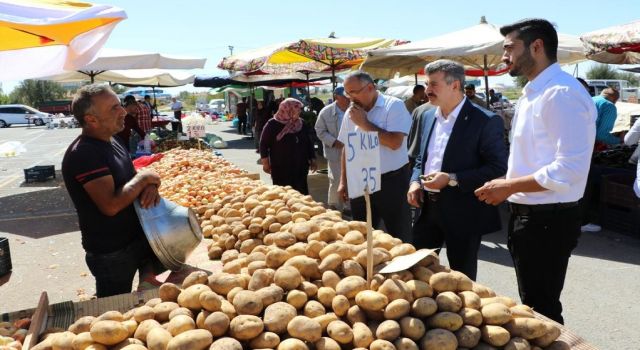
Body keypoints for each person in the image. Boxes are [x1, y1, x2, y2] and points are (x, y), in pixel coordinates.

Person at [475, 19, 597, 324]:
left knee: (542, 311)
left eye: (509, 48)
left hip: (547, 220)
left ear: (537, 46)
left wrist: (509, 186)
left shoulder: (560, 93)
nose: (505, 56)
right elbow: (539, 159)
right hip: (531, 216)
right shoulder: (535, 92)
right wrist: (508, 182)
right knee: (535, 305)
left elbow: (567, 169)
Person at [407, 60, 507, 280]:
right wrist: (415, 181)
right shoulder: (426, 116)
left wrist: (452, 179)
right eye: (426, 84)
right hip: (427, 210)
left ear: (455, 85)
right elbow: (420, 158)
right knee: (417, 271)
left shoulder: (485, 121)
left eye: (434, 84)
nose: (427, 90)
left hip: (464, 211)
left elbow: (497, 167)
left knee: (461, 279)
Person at [62, 84, 164, 298]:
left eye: (120, 105)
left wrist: (150, 184)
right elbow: (111, 205)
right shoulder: (84, 153)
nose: (123, 111)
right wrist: (146, 177)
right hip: (112, 253)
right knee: (114, 311)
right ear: (91, 119)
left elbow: (131, 177)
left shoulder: (113, 140)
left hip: (136, 239)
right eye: (114, 108)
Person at [337, 71, 413, 242]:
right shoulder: (352, 112)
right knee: (362, 234)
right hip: (360, 181)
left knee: (398, 235)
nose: (350, 98)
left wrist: (364, 124)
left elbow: (395, 142)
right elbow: (346, 147)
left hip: (391, 182)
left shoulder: (394, 106)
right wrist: (344, 181)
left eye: (353, 92)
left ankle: (402, 268)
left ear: (370, 87)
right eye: (347, 93)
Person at [260, 98, 317, 195]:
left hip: (300, 166)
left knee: (301, 193)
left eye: (299, 109)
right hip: (281, 167)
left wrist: (312, 158)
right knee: (283, 195)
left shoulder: (301, 123)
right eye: (297, 109)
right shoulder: (272, 124)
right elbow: (263, 144)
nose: (299, 111)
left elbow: (308, 142)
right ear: (288, 110)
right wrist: (265, 163)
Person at [315, 87, 350, 211]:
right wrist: (334, 142)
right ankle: (333, 204)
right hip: (335, 152)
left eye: (348, 96)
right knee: (336, 179)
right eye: (344, 96)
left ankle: (348, 206)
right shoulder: (326, 112)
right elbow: (319, 130)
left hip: (352, 151)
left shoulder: (354, 109)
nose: (347, 98)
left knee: (351, 179)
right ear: (336, 97)